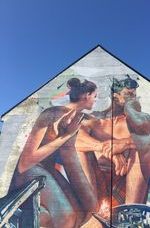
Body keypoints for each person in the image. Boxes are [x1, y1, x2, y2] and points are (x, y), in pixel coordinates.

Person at [12, 78, 97, 228]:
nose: (95, 100)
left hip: (46, 171)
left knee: (79, 214)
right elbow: (25, 163)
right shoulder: (51, 113)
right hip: (29, 171)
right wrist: (66, 136)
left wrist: (90, 204)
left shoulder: (76, 118)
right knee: (67, 217)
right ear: (86, 95)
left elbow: (70, 159)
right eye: (95, 96)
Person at [73, 75, 150, 226]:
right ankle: (93, 211)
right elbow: (77, 138)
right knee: (80, 146)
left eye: (134, 95)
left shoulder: (135, 119)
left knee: (145, 141)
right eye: (128, 95)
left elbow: (146, 132)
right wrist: (107, 149)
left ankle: (130, 215)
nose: (133, 99)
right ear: (115, 96)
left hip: (126, 180)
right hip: (95, 183)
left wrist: (123, 143)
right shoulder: (95, 118)